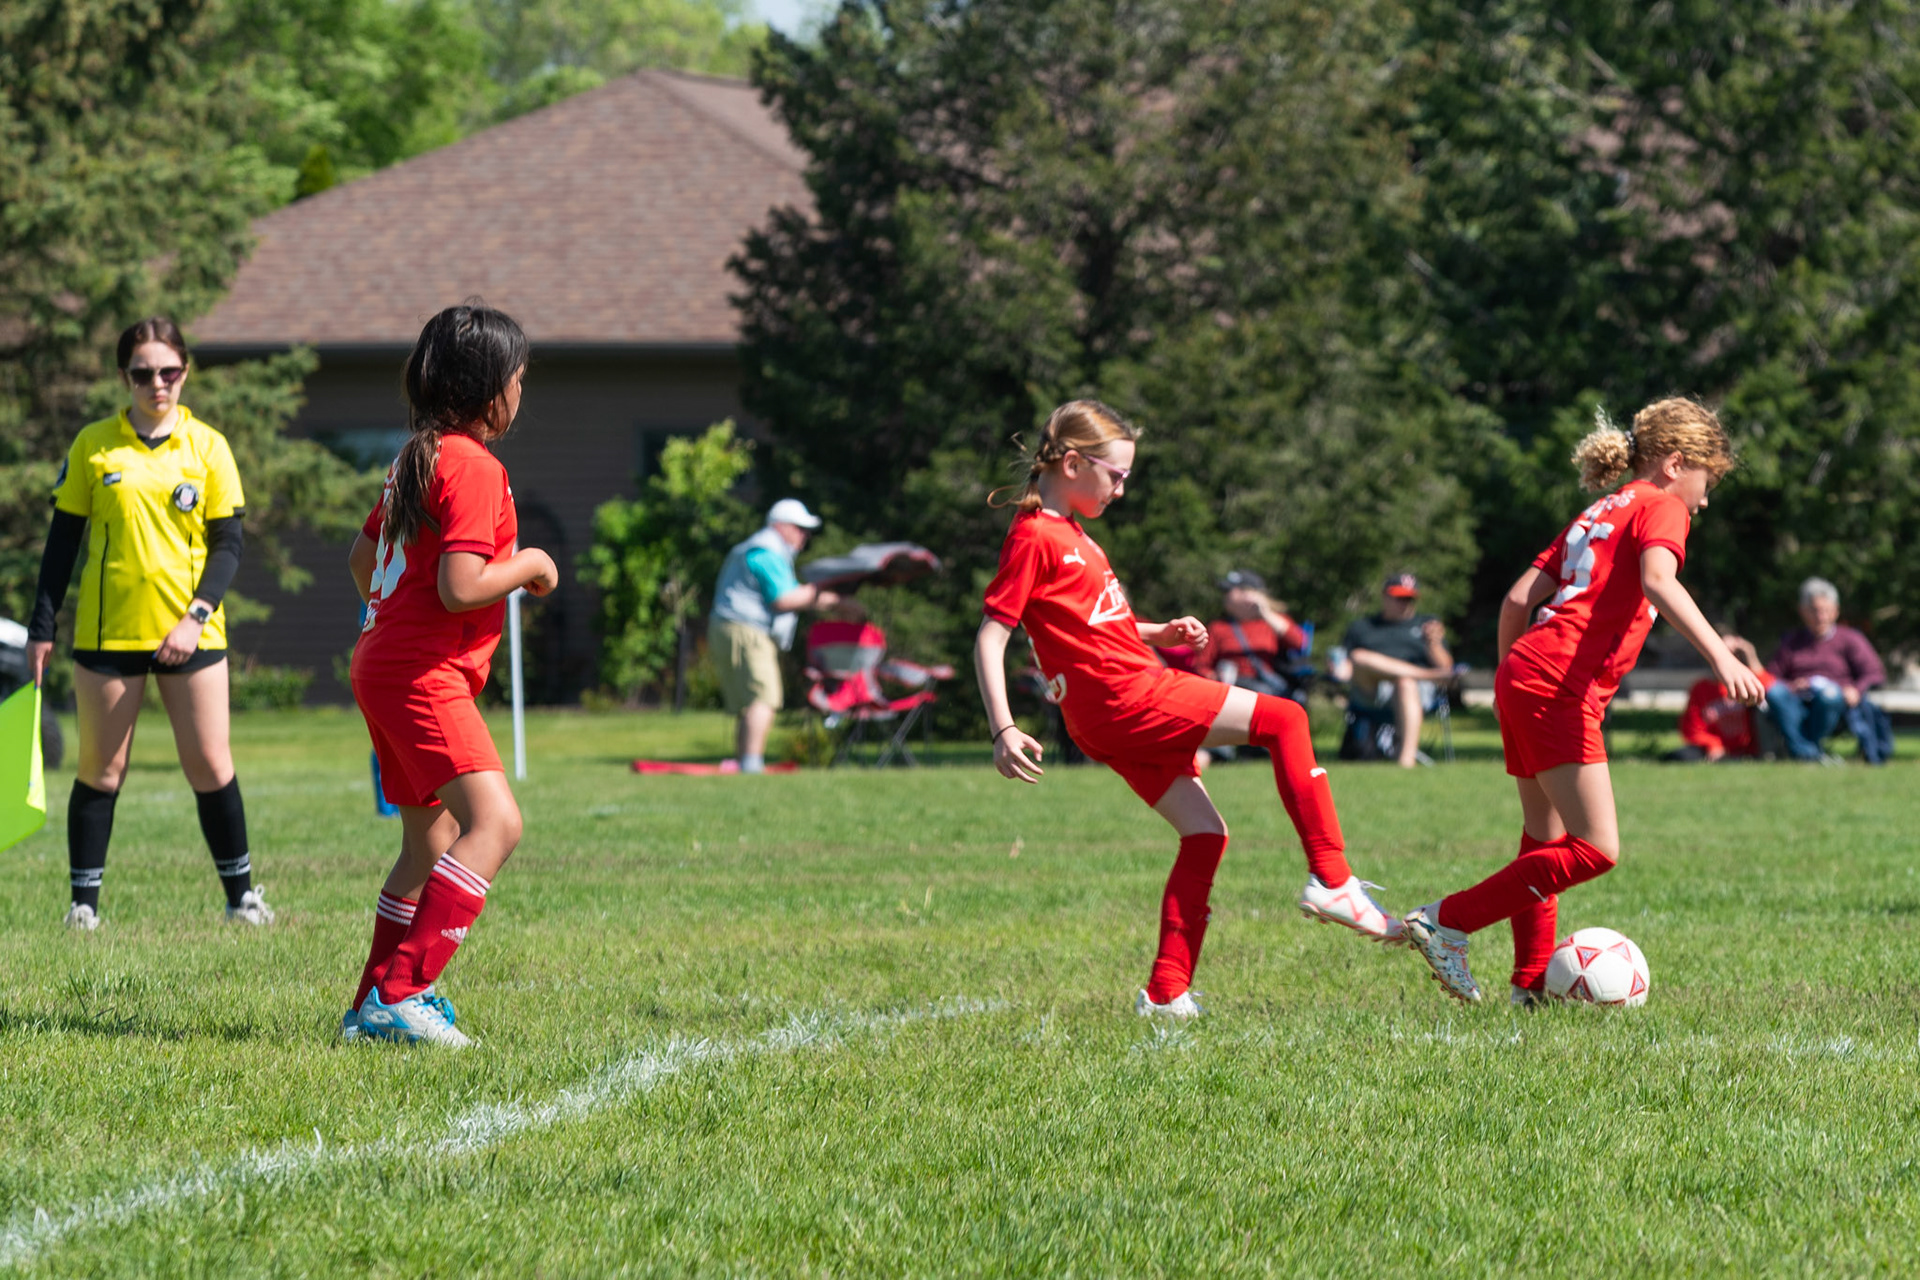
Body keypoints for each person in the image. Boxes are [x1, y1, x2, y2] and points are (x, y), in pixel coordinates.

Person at [973, 400, 1399, 1020]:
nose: (1122, 488)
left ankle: (1167, 993)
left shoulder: (1070, 534)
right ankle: (1333, 881)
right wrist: (1003, 727)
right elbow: (992, 633)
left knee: (1205, 835)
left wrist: (1153, 631)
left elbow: (1085, 624)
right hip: (1126, 697)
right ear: (1071, 463)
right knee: (1288, 720)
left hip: (1106, 714)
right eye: (1115, 475)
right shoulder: (1037, 535)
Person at [1401, 400, 1765, 1005]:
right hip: (1561, 682)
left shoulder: (1602, 508)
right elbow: (1658, 580)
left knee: (1543, 838)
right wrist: (1721, 657)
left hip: (1525, 670)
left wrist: (1506, 680)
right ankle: (1447, 920)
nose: (1703, 500)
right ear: (1677, 464)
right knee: (1596, 847)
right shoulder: (1664, 504)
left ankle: (1530, 986)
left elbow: (1518, 600)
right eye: (1708, 481)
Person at [344, 303, 559, 1047]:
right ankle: (404, 993)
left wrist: (392, 620)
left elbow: (361, 560)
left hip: (380, 661)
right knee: (496, 823)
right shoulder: (473, 465)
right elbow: (460, 587)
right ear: (489, 387)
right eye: (520, 379)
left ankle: (370, 1003)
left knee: (427, 839)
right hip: (420, 674)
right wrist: (531, 564)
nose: (522, 393)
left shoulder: (417, 455)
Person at [25, 317, 273, 930]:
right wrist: (41, 625)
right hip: (109, 636)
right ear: (124, 377)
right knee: (99, 771)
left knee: (211, 766)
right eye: (142, 372)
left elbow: (229, 544)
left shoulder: (208, 447)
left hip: (193, 635)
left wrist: (195, 617)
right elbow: (62, 544)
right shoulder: (94, 445)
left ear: (185, 373)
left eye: (168, 371)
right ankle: (83, 907)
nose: (156, 383)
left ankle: (241, 898)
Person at [710, 499, 840, 773]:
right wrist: (834, 600)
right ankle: (752, 766)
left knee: (749, 703)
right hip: (746, 629)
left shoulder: (757, 548)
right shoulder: (767, 550)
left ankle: (746, 764)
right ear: (781, 526)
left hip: (729, 626)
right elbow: (784, 598)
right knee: (764, 698)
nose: (805, 536)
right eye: (800, 528)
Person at [1335, 574, 1454, 767]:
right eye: (1399, 598)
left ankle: (1405, 761)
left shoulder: (1427, 624)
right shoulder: (1362, 627)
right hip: (1372, 691)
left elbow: (1446, 669)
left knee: (1405, 682)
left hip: (1415, 692)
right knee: (1360, 657)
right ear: (1384, 596)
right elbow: (1347, 666)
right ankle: (1423, 674)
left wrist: (1434, 643)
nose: (1404, 603)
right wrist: (1337, 668)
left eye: (1409, 599)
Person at [1764, 577, 1886, 762]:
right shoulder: (1792, 641)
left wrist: (1856, 690)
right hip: (1799, 699)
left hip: (1835, 698)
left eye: (1826, 611)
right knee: (1774, 692)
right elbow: (1772, 675)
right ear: (1802, 611)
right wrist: (1792, 685)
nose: (1820, 616)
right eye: (1814, 611)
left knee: (1829, 695)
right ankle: (1810, 752)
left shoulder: (1850, 639)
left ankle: (1804, 752)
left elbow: (1874, 673)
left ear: (1836, 611)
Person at [1204, 570, 1310, 698]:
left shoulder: (1273, 622)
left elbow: (1299, 642)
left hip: (1266, 691)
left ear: (1250, 594)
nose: (1225, 596)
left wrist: (1265, 613)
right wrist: (1215, 678)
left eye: (1230, 591)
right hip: (1230, 693)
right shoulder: (1218, 627)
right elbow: (1202, 665)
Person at [1668, 635, 1773, 762]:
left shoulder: (1747, 681)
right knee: (1681, 756)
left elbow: (1773, 691)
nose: (1729, 659)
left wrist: (1751, 655)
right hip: (1711, 750)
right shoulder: (1702, 688)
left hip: (1747, 750)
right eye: (1724, 653)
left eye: (1734, 654)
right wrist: (1714, 745)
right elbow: (1692, 728)